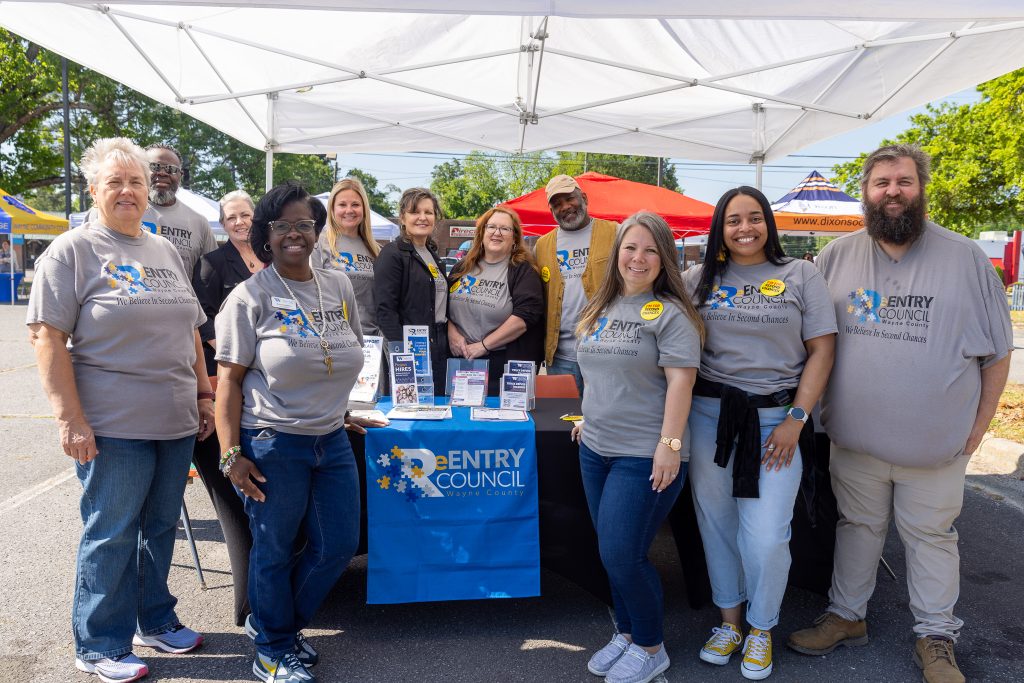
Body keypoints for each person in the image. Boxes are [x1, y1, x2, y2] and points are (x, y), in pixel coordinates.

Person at [787, 145, 1013, 683]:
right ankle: (847, 617)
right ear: (865, 191)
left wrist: (978, 429)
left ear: (921, 188)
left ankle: (936, 637)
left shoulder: (966, 258)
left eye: (904, 181)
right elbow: (807, 340)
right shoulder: (835, 256)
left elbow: (998, 354)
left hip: (934, 445)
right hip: (855, 441)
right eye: (882, 182)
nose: (892, 191)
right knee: (856, 527)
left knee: (931, 538)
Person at [27, 137, 213, 683]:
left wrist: (203, 393)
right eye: (115, 182)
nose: (128, 191)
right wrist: (70, 419)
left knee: (159, 528)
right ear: (93, 189)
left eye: (135, 181)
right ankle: (99, 643)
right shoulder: (73, 250)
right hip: (114, 425)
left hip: (174, 419)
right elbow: (47, 338)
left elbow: (191, 333)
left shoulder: (164, 250)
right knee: (110, 532)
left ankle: (153, 620)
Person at [215, 181, 377, 683]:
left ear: (317, 230)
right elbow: (229, 384)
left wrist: (341, 408)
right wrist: (230, 455)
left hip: (330, 438)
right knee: (274, 546)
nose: (293, 233)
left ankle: (276, 626)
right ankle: (272, 647)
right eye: (282, 224)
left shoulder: (339, 286)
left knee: (337, 545)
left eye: (303, 224)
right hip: (272, 441)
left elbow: (342, 356)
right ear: (266, 233)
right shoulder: (248, 297)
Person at [682, 187, 837, 680]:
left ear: (768, 222)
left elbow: (823, 350)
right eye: (733, 220)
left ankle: (762, 626)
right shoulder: (696, 279)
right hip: (709, 418)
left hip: (777, 422)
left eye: (753, 218)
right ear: (719, 229)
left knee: (768, 534)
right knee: (718, 524)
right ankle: (729, 621)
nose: (744, 228)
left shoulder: (801, 274)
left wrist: (797, 418)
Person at [571, 211, 703, 683]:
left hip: (645, 454)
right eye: (630, 247)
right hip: (596, 449)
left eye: (650, 249)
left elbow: (681, 385)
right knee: (610, 549)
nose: (638, 257)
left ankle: (651, 646)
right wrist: (589, 414)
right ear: (618, 253)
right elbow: (593, 370)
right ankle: (626, 633)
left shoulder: (672, 315)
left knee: (624, 554)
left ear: (664, 257)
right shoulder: (598, 307)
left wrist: (669, 445)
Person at [190, 189, 261, 625]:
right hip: (231, 374)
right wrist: (237, 353)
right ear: (222, 222)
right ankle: (252, 600)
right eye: (232, 216)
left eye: (246, 215)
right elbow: (203, 319)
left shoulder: (273, 259)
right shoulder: (214, 264)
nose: (240, 222)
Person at [535, 174, 619, 394]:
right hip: (561, 356)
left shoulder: (615, 233)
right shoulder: (542, 246)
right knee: (565, 421)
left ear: (583, 197)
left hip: (607, 352)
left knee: (603, 419)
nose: (565, 207)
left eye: (569, 199)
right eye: (557, 204)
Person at [448, 207, 544, 394]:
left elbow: (525, 317)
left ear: (515, 237)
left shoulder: (523, 271)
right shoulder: (463, 267)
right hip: (459, 362)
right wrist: (452, 333)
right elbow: (441, 307)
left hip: (500, 367)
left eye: (505, 229)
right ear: (482, 232)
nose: (497, 233)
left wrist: (483, 346)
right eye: (491, 227)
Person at [373, 187, 449, 393]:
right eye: (415, 212)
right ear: (402, 218)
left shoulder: (433, 255)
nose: (422, 218)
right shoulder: (392, 255)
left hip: (438, 346)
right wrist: (401, 355)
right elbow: (385, 310)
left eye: (429, 212)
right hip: (409, 349)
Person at [313, 177, 381, 336]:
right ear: (332, 209)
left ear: (364, 209)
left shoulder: (376, 250)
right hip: (333, 338)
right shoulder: (318, 243)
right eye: (342, 205)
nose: (349, 210)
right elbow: (310, 295)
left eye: (355, 204)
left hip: (372, 341)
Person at [145, 143, 218, 276]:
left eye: (171, 169)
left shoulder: (199, 223)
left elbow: (211, 277)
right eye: (154, 166)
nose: (162, 173)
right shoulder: (120, 213)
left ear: (181, 175)